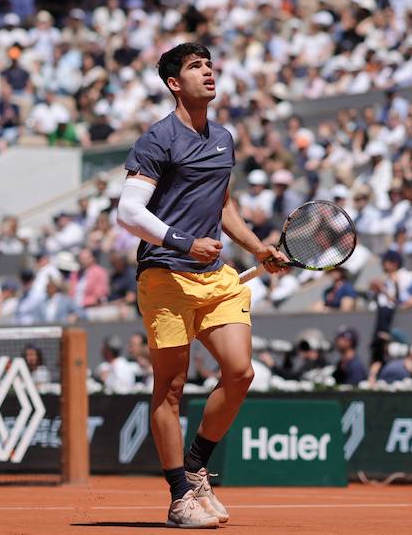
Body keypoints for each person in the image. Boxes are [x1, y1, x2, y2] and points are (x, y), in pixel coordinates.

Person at [115, 43, 284, 530]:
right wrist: (185, 243)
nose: (208, 72)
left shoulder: (223, 138)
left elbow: (224, 205)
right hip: (166, 275)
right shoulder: (157, 140)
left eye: (210, 65)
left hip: (216, 279)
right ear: (174, 83)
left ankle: (196, 466)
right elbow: (128, 212)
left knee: (241, 372)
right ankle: (178, 496)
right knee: (170, 389)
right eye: (195, 67)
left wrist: (256, 247)